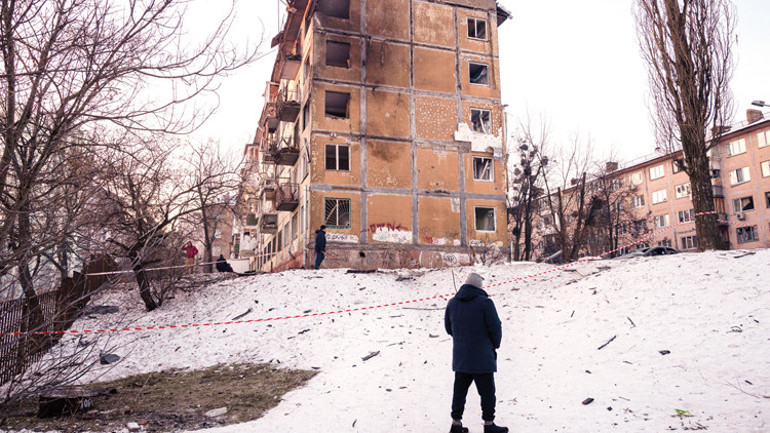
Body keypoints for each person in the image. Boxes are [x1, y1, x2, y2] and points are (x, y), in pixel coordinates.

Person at [444, 272, 508, 433]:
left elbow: (448, 328)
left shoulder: (452, 303)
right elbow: (495, 327)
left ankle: (456, 424)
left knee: (459, 392)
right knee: (487, 393)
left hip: (461, 358)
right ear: (479, 287)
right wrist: (494, 345)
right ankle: (489, 424)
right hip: (482, 358)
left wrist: (461, 339)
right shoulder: (485, 303)